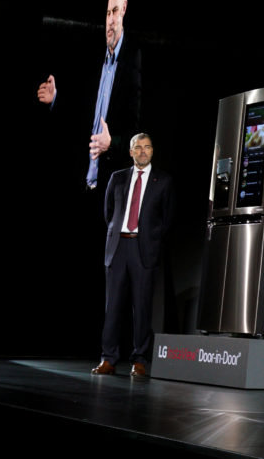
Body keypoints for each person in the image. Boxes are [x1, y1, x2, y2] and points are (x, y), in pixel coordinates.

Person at [37, 0, 141, 190]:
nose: (110, 20)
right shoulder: (96, 60)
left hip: (109, 189)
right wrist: (55, 98)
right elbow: (79, 114)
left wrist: (111, 144)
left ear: (124, 9)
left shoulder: (133, 63)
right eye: (107, 13)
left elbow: (139, 133)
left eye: (115, 11)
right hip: (79, 183)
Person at [92, 133, 174, 377]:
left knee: (142, 307)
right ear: (130, 152)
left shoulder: (164, 181)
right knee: (113, 306)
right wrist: (119, 234)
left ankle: (139, 360)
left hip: (143, 249)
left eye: (147, 147)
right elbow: (109, 213)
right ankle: (109, 359)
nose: (142, 151)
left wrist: (152, 240)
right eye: (137, 147)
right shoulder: (117, 178)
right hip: (118, 248)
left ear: (152, 151)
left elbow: (168, 219)